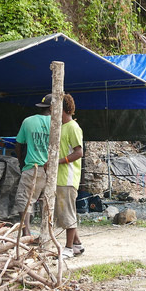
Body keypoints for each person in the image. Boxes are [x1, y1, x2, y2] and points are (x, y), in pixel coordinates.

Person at [14, 94, 57, 240]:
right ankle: (46, 234)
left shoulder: (28, 121)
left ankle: (27, 233)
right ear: (53, 108)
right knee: (47, 202)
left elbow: (19, 144)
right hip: (52, 170)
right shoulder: (57, 123)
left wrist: (21, 162)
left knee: (25, 200)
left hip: (33, 168)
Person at [55, 93, 84, 258]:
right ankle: (77, 244)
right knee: (65, 213)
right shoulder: (62, 126)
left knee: (68, 214)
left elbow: (79, 152)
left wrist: (58, 161)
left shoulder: (73, 127)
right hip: (61, 177)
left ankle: (68, 248)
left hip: (68, 177)